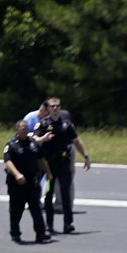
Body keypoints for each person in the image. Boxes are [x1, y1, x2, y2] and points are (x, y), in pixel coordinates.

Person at [35, 97, 91, 234]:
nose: (55, 108)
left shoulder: (66, 124)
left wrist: (86, 156)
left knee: (65, 193)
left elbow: (76, 141)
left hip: (63, 163)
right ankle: (49, 224)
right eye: (52, 106)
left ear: (60, 108)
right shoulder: (42, 124)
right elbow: (34, 139)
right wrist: (43, 138)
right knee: (48, 194)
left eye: (57, 106)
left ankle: (68, 223)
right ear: (48, 108)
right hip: (48, 165)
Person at [3, 120, 52, 244]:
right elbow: (8, 162)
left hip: (32, 182)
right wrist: (17, 174)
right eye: (23, 128)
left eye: (27, 128)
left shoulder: (33, 143)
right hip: (17, 183)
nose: (25, 130)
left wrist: (48, 172)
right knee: (16, 210)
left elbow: (41, 159)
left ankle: (41, 234)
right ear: (17, 130)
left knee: (36, 208)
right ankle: (15, 233)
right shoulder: (11, 145)